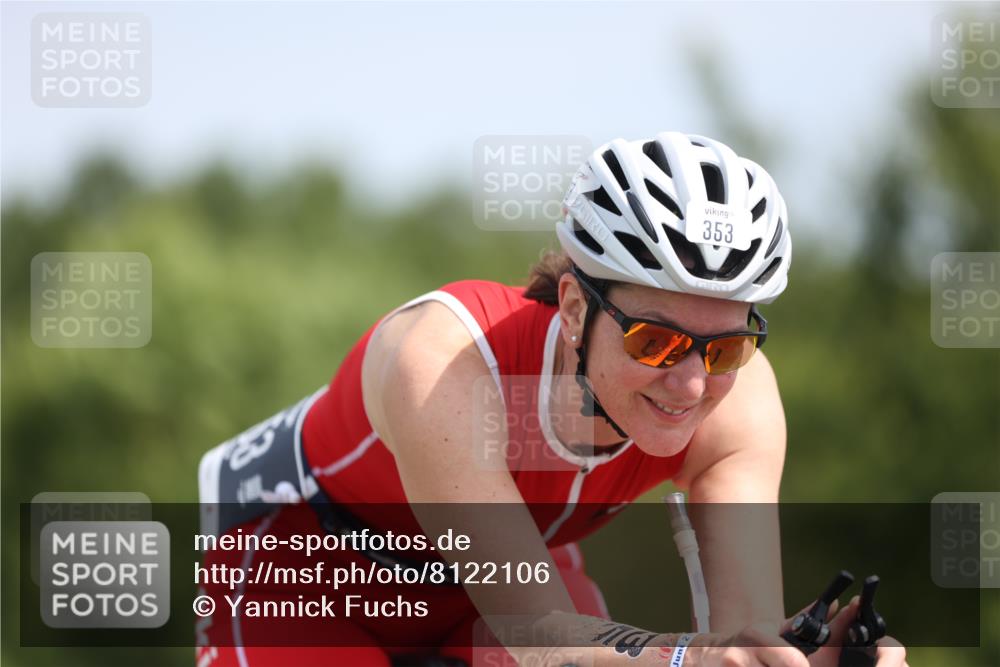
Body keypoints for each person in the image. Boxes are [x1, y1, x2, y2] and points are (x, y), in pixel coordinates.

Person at [196, 131, 908, 667]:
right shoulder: (445, 359)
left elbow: (741, 635)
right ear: (573, 308)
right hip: (302, 566)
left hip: (502, 569)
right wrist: (690, 656)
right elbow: (536, 629)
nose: (691, 383)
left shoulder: (740, 398)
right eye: (654, 343)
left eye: (721, 347)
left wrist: (796, 657)